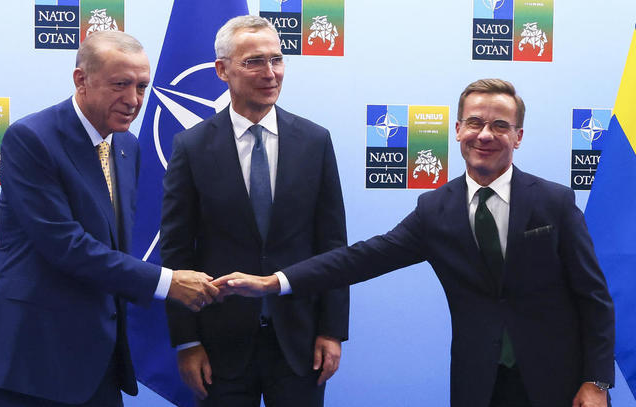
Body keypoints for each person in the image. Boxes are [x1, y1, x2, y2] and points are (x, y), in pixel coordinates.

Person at [216, 79, 616, 407]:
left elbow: (594, 298)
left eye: (500, 126)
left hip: (562, 386)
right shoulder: (435, 210)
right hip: (478, 385)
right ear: (457, 130)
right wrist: (275, 282)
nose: (485, 134)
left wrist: (596, 381)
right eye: (474, 122)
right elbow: (361, 259)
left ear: (518, 136)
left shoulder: (554, 202)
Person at [0, 31, 218, 407]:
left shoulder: (127, 145)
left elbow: (113, 244)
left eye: (142, 87)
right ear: (81, 80)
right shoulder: (31, 138)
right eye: (120, 84)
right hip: (24, 363)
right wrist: (167, 283)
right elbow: (65, 246)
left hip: (96, 364)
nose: (134, 100)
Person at [160, 15, 349, 407]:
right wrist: (187, 341)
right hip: (219, 347)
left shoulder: (315, 141)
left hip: (300, 343)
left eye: (276, 59)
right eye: (254, 62)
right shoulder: (191, 147)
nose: (270, 73)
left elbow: (333, 245)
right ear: (222, 70)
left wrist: (332, 330)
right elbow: (177, 252)